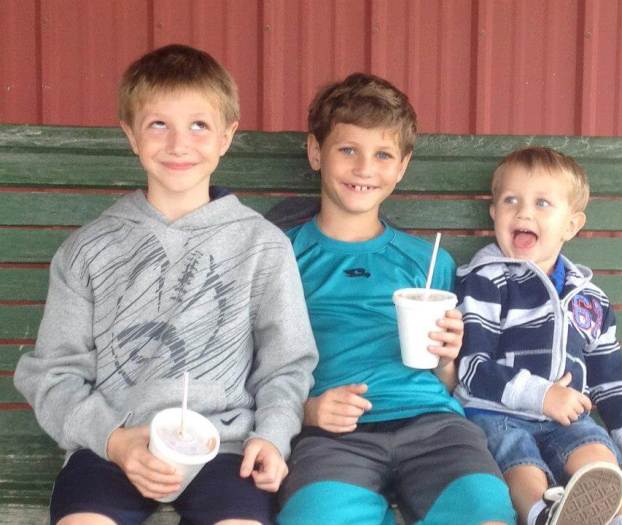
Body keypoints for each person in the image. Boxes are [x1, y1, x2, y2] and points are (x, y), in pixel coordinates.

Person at [13, 44, 318, 525]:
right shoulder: (88, 249)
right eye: (159, 124)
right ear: (131, 136)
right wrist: (113, 440)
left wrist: (272, 437)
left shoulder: (262, 245)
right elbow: (52, 375)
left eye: (199, 125)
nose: (179, 143)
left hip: (225, 446)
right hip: (114, 444)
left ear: (226, 137)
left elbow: (286, 365)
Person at [275, 72, 515, 525]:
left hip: (434, 425)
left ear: (401, 167)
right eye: (348, 150)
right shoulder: (282, 256)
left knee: (486, 517)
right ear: (315, 152)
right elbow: (259, 363)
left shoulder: (429, 262)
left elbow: (444, 382)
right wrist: (306, 411)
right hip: (331, 434)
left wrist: (446, 359)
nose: (365, 168)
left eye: (383, 154)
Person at [453, 147, 622, 525]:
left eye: (542, 203)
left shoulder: (588, 299)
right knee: (518, 460)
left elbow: (611, 378)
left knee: (597, 452)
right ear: (494, 213)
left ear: (572, 224)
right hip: (497, 413)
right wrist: (543, 395)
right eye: (511, 200)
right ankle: (542, 513)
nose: (524, 212)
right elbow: (472, 367)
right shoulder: (486, 280)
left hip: (567, 419)